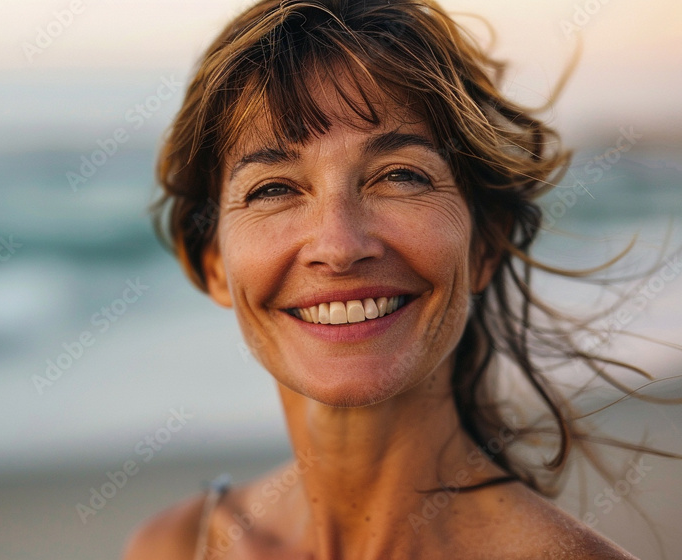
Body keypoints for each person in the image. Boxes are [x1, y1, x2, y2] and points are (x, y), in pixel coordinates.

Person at [127, 1, 672, 557]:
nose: (338, 247)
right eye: (274, 188)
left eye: (400, 176)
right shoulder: (174, 546)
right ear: (214, 263)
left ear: (485, 243)